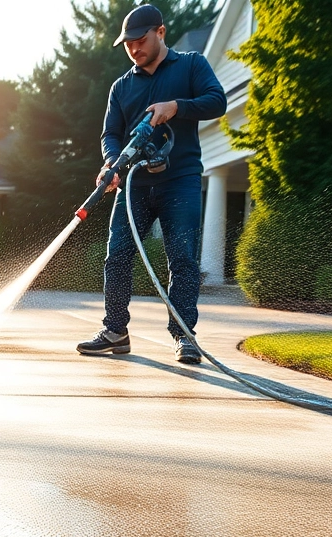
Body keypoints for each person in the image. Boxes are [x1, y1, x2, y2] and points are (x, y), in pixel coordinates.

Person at [76, 4, 227, 364]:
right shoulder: (122, 86)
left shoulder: (191, 65)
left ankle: (184, 335)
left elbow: (217, 101)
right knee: (117, 255)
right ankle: (115, 330)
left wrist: (176, 106)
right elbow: (110, 134)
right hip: (134, 186)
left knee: (182, 259)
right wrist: (111, 163)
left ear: (160, 32)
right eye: (127, 44)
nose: (134, 48)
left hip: (181, 180)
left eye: (140, 40)